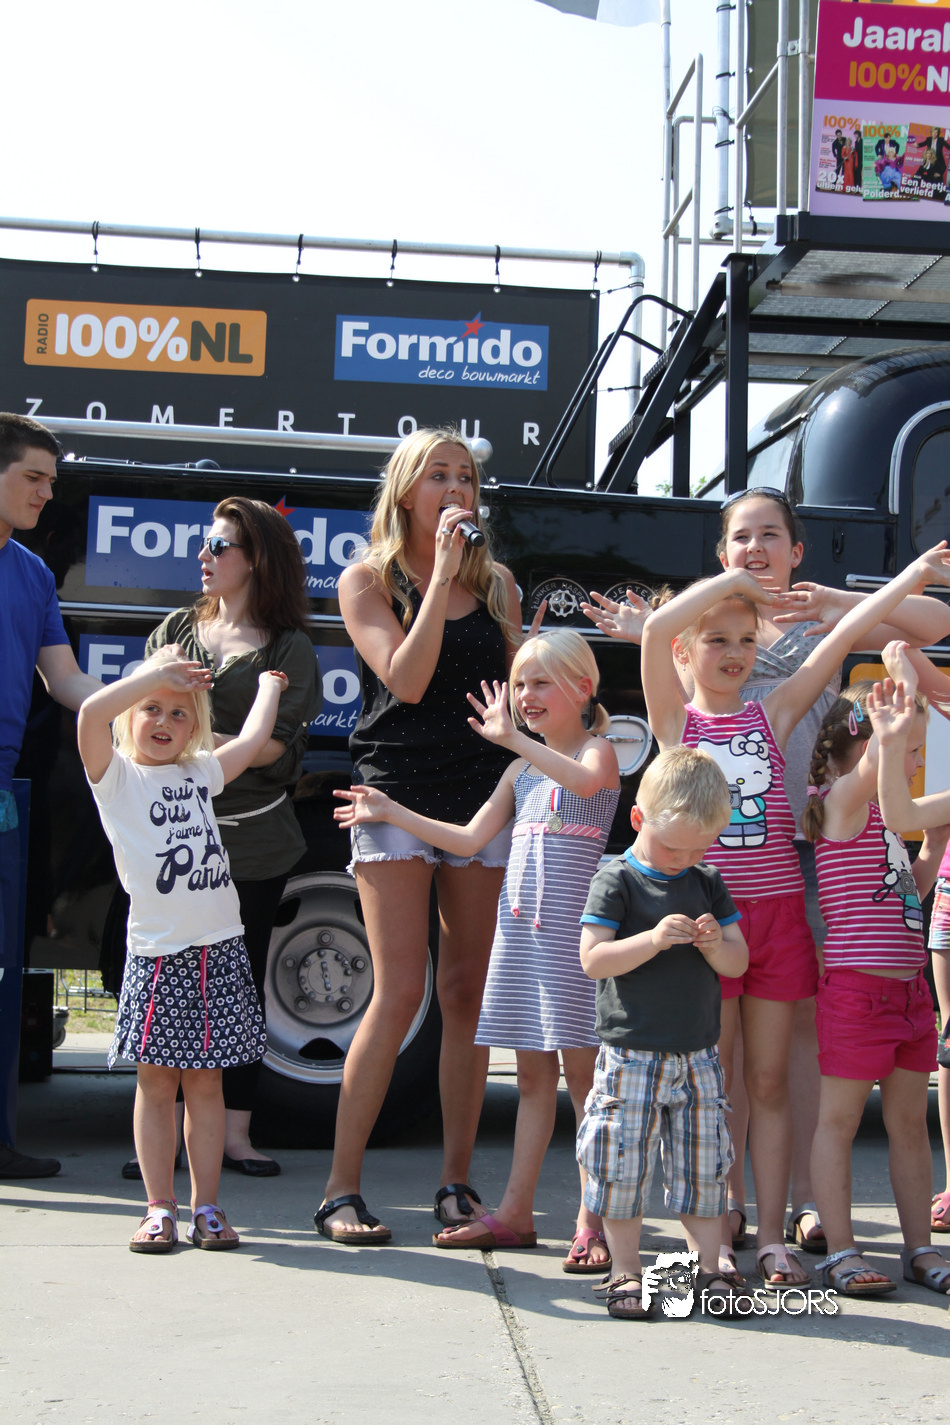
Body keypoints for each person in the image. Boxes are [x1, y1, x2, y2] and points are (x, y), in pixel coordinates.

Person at [582, 487, 950, 1274]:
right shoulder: (678, 724)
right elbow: (658, 631)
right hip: (708, 913)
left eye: (745, 640)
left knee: (772, 1078)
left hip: (780, 914)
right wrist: (736, 582)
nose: (734, 651)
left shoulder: (773, 713)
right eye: (717, 639)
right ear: (687, 652)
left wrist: (911, 577)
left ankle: (777, 1233)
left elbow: (844, 633)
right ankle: (716, 1231)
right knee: (711, 1081)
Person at [334, 630, 620, 1264]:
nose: (526, 695)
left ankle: (591, 1222)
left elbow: (582, 783)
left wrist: (512, 739)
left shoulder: (597, 752)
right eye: (519, 685)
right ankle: (516, 1213)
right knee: (532, 1080)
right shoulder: (520, 770)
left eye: (541, 683)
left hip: (574, 949)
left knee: (586, 1083)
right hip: (523, 946)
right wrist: (392, 810)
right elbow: (466, 841)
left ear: (583, 688)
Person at [316, 427, 524, 1244]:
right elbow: (404, 679)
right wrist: (438, 576)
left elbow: (518, 689)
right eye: (438, 474)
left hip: (480, 793)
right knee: (400, 989)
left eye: (465, 475)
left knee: (468, 991)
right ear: (406, 491)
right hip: (394, 792)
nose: (455, 487)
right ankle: (341, 1189)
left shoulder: (497, 583)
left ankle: (456, 1182)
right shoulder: (367, 579)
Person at [78, 650, 289, 1251]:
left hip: (218, 952)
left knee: (206, 1086)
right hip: (158, 956)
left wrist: (270, 688)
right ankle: (158, 1208)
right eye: (151, 708)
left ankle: (207, 1208)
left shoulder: (198, 773)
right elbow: (90, 714)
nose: (163, 721)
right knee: (156, 1085)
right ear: (130, 715)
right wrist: (154, 675)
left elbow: (251, 742)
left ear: (195, 725)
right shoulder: (116, 777)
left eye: (179, 712)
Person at [136, 496, 321, 1177]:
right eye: (205, 543)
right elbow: (139, 718)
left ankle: (234, 1136)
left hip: (252, 842)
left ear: (257, 559)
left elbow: (272, 747)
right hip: (170, 839)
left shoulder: (288, 647)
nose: (204, 555)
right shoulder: (176, 631)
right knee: (165, 984)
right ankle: (164, 1141)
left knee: (235, 989)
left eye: (218, 545)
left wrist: (186, 745)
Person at [575, 746, 751, 1319]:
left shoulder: (707, 880)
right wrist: (651, 940)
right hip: (632, 1053)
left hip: (698, 1053)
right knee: (622, 1163)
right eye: (674, 847)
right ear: (638, 819)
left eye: (700, 848)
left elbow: (738, 962)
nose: (685, 859)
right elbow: (593, 960)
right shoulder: (617, 880)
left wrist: (715, 944)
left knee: (704, 1165)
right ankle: (626, 1271)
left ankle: (709, 1268)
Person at [803, 659, 950, 1297]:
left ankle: (919, 1248)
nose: (915, 763)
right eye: (909, 750)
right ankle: (841, 1251)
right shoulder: (840, 802)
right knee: (837, 1122)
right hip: (857, 993)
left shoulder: (884, 822)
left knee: (910, 1125)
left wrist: (930, 854)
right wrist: (901, 708)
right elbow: (882, 779)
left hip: (910, 993)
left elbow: (900, 898)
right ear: (867, 739)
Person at [0, 413, 102, 1181]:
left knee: (3, 975)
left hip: (5, 794)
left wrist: (138, 701)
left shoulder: (33, 574)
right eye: (32, 477)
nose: (46, 493)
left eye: (51, 481)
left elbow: (65, 680)